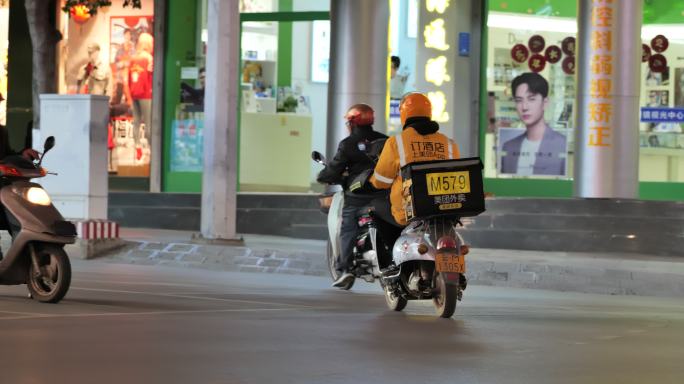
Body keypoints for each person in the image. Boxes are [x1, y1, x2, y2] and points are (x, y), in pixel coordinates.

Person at [370, 92, 460, 246]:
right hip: (445, 208)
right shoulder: (449, 143)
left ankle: (393, 253)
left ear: (404, 115)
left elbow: (381, 182)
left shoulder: (396, 142)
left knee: (376, 206)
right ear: (429, 113)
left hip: (410, 211)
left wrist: (371, 179)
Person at [316, 104, 388, 288]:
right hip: (384, 197)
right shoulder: (386, 141)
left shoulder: (348, 144)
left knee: (347, 227)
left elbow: (334, 169)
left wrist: (324, 176)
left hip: (357, 199)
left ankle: (346, 269)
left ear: (352, 122)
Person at [500, 72, 567, 176]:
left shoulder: (562, 144)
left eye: (531, 99)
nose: (524, 107)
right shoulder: (508, 147)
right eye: (519, 100)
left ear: (545, 103)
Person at [126, 32, 154, 161]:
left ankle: (137, 148)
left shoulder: (133, 58)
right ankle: (151, 148)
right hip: (146, 93)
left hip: (134, 93)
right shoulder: (149, 58)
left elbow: (128, 79)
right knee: (148, 122)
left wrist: (130, 95)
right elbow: (152, 75)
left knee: (136, 122)